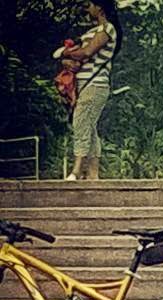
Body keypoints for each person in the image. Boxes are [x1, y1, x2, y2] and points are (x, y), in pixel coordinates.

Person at [61, 1, 123, 180]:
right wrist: (67, 61)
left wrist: (66, 53)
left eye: (90, 5)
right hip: (84, 84)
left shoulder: (107, 29)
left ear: (100, 8)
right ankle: (93, 174)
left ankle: (76, 170)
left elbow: (87, 52)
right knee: (89, 127)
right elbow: (78, 57)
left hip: (95, 84)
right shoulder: (91, 31)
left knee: (80, 122)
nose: (88, 9)